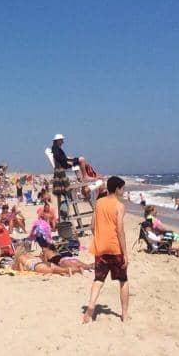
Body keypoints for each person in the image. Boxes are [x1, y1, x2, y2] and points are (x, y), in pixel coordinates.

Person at [83, 176, 129, 323]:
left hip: (100, 247)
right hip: (115, 248)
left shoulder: (99, 203)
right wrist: (125, 254)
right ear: (117, 189)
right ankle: (125, 314)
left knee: (98, 279)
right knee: (123, 280)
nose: (123, 190)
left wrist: (99, 237)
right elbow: (120, 230)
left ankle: (91, 306)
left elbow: (91, 226)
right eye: (122, 188)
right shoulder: (119, 205)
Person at [50, 134, 72, 221]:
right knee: (81, 161)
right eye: (61, 140)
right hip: (61, 168)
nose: (63, 141)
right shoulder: (55, 148)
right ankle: (82, 177)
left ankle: (82, 176)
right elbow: (59, 157)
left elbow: (59, 157)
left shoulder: (55, 148)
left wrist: (66, 159)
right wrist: (66, 160)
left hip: (62, 166)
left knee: (79, 161)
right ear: (58, 140)